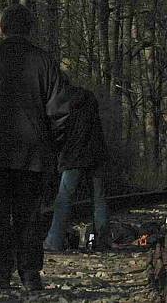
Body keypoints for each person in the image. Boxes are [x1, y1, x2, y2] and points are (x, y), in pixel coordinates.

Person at [0, 4, 69, 290]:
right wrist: (52, 144)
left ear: (2, 28)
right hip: (32, 156)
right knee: (29, 217)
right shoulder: (44, 62)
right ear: (29, 29)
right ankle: (30, 274)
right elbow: (61, 111)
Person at [43, 85, 110, 252]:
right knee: (99, 198)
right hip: (96, 153)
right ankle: (102, 241)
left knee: (64, 198)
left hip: (74, 155)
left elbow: (57, 131)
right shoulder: (89, 98)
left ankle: (55, 240)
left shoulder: (62, 103)